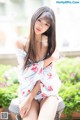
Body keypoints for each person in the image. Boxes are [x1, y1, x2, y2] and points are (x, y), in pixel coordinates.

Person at [15, 6, 61, 120]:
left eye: (46, 24)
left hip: (47, 89)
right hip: (28, 89)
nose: (41, 26)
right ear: (34, 18)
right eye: (39, 20)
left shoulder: (48, 43)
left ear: (50, 27)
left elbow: (44, 75)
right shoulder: (20, 42)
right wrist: (49, 60)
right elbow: (26, 73)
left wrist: (44, 52)